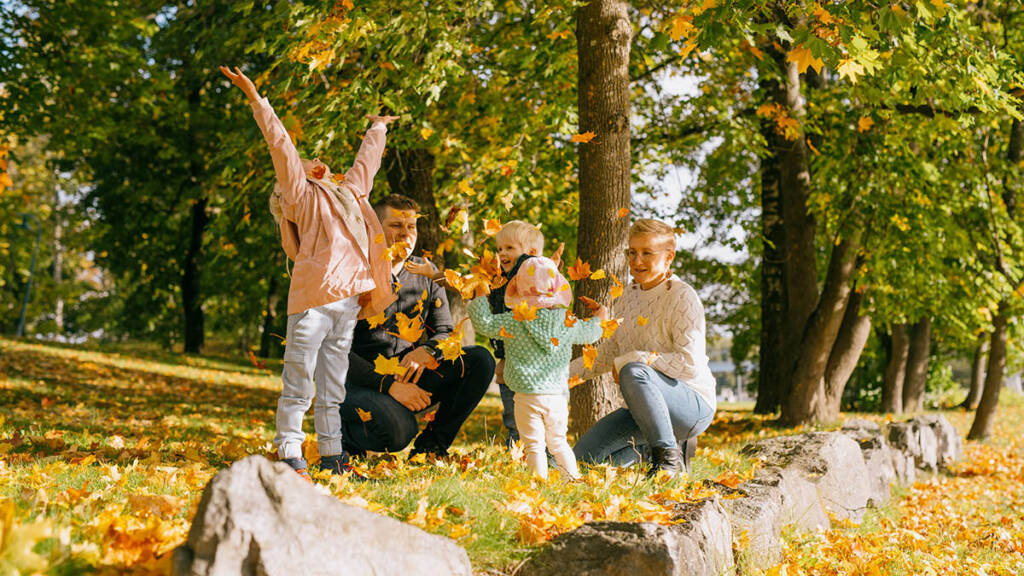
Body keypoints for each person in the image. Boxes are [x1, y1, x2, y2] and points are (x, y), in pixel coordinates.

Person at [220, 65, 398, 480]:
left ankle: (333, 457)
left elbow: (365, 165)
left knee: (332, 388)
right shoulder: (301, 199)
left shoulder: (349, 193)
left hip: (347, 303)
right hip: (313, 303)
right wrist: (256, 98)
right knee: (299, 382)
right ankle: (289, 455)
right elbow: (280, 146)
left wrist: (378, 129)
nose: (310, 163)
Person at [339, 194, 495, 458]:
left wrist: (430, 351)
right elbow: (335, 350)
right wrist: (387, 385)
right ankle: (346, 438)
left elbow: (445, 331)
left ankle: (431, 447)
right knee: (398, 432)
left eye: (411, 227)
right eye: (396, 226)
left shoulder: (427, 272)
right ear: (374, 228)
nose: (405, 234)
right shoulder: (352, 273)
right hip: (358, 382)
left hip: (409, 374)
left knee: (479, 360)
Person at [572, 219, 716, 477]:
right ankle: (651, 452)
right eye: (632, 252)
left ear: (668, 257)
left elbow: (689, 363)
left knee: (633, 370)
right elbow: (610, 353)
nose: (637, 261)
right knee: (581, 461)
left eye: (647, 253)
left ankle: (668, 462)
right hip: (643, 408)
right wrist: (557, 375)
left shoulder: (683, 296)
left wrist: (636, 358)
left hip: (691, 404)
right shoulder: (628, 295)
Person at [467, 257, 606, 480]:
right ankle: (572, 479)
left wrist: (482, 295)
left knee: (534, 446)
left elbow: (484, 323)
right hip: (557, 397)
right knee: (559, 442)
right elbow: (591, 332)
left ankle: (538, 485)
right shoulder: (567, 322)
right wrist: (600, 317)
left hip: (526, 395)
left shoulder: (515, 320)